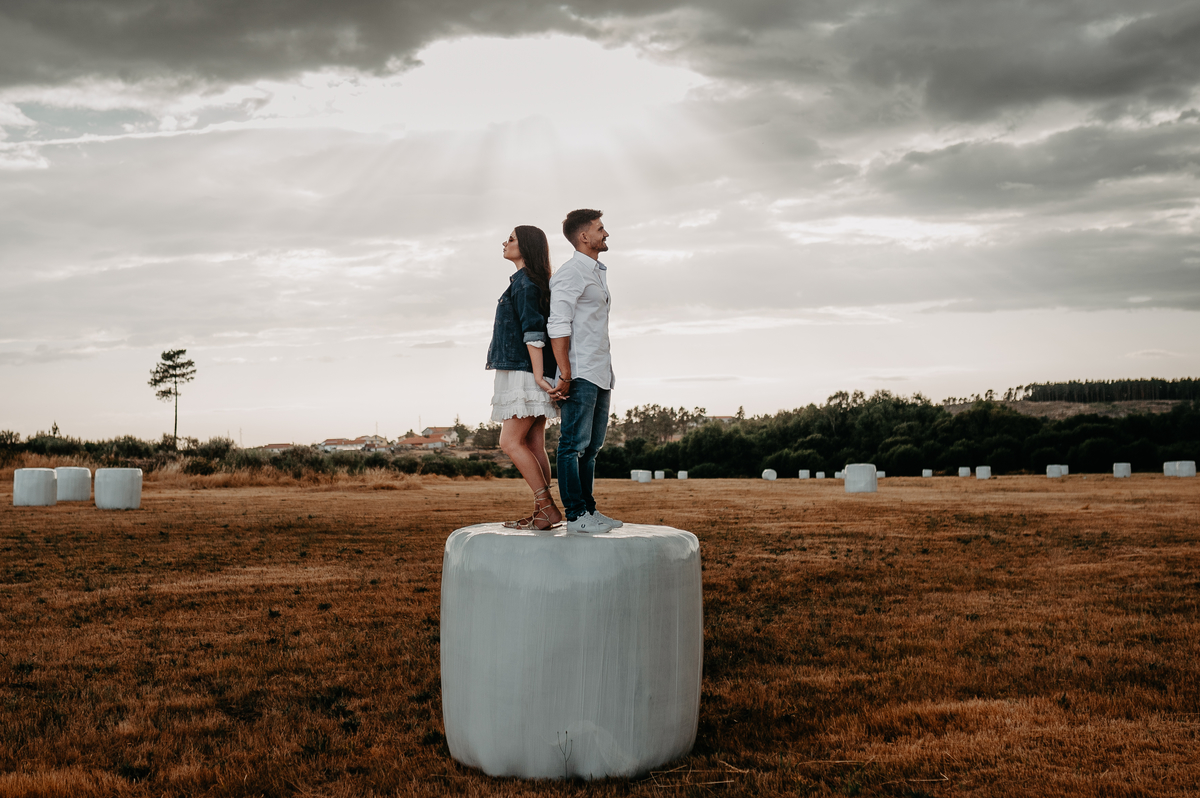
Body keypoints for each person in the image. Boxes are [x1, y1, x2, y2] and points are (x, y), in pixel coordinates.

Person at [548, 209, 624, 534]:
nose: (606, 234)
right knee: (572, 445)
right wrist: (565, 372)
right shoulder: (571, 273)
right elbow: (558, 323)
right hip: (579, 373)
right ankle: (576, 515)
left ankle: (589, 510)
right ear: (584, 237)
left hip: (600, 372)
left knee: (592, 448)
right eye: (600, 229)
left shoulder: (596, 271)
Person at [486, 225, 563, 530]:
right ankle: (544, 511)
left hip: (524, 372)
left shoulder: (525, 284)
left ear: (527, 246)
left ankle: (547, 508)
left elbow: (533, 332)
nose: (505, 242)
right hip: (530, 370)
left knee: (510, 441)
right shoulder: (530, 281)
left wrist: (537, 375)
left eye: (512, 238)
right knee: (532, 442)